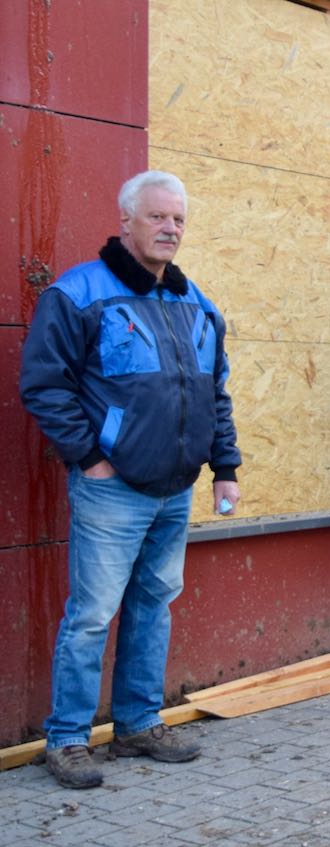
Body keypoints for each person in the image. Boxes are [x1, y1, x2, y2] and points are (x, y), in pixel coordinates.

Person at [20, 170, 242, 789]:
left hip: (176, 488)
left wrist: (224, 467)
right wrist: (89, 456)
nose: (170, 229)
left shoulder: (196, 304)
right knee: (91, 614)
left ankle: (139, 723)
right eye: (158, 217)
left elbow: (213, 393)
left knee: (153, 605)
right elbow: (43, 383)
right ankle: (66, 738)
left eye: (178, 220)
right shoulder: (79, 294)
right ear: (126, 220)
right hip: (111, 488)